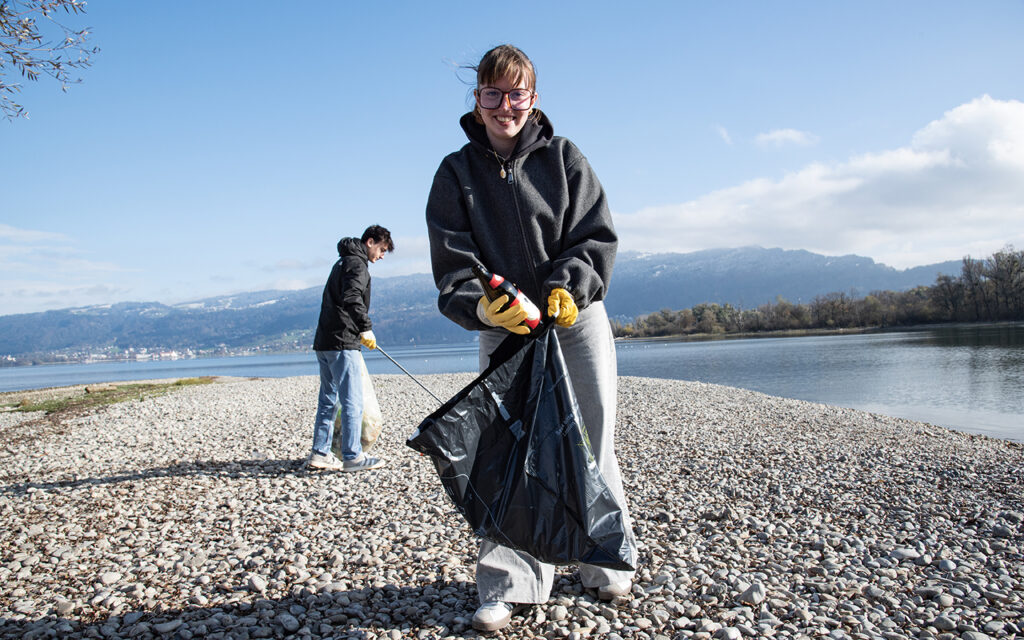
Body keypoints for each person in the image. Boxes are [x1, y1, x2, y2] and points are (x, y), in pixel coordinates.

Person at [425, 44, 637, 632]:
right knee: (510, 453)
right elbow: (453, 267)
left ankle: (603, 557)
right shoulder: (455, 172)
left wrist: (571, 286)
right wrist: (486, 310)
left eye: (516, 94)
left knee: (593, 441)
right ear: (477, 100)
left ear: (533, 99)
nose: (504, 106)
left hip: (575, 319)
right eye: (493, 93)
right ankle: (510, 582)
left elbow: (596, 237)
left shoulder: (565, 158)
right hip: (509, 328)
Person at [309, 225, 393, 472]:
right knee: (352, 400)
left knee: (328, 400)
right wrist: (365, 328)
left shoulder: (342, 262)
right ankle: (352, 456)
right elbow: (352, 297)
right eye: (382, 249)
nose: (382, 256)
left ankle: (320, 452)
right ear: (370, 242)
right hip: (343, 341)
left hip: (324, 341)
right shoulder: (357, 265)